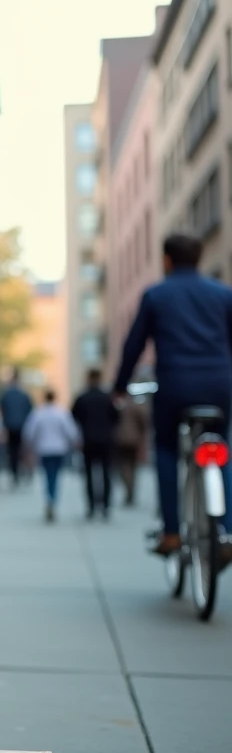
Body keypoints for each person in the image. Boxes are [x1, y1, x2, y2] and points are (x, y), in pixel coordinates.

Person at [113, 233, 232, 561]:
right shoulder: (223, 294)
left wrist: (120, 387)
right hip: (219, 385)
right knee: (221, 448)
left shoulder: (156, 295)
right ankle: (227, 530)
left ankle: (171, 532)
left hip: (175, 385)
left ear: (166, 260)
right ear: (199, 258)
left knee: (165, 448)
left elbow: (134, 345)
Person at [23, 389, 81, 523]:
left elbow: (29, 432)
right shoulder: (61, 413)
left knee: (48, 475)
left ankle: (50, 499)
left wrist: (30, 445)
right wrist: (73, 442)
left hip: (44, 449)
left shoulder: (38, 413)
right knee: (55, 475)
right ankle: (53, 499)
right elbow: (71, 432)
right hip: (59, 449)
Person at [71, 369, 119, 520]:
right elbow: (116, 417)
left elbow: (74, 416)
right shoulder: (107, 398)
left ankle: (91, 506)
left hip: (88, 440)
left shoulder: (82, 398)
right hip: (106, 440)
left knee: (89, 475)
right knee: (106, 474)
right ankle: (105, 506)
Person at [0, 369, 34, 486]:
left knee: (12, 451)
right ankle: (23, 470)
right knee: (22, 449)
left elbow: (2, 410)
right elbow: (30, 411)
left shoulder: (6, 394)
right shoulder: (24, 395)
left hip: (10, 427)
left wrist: (3, 426)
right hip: (22, 426)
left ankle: (15, 473)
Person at [112, 394, 149, 506]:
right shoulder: (136, 406)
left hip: (119, 440)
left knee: (124, 467)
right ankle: (130, 490)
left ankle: (129, 490)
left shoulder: (117, 406)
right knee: (132, 468)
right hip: (133, 440)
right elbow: (144, 423)